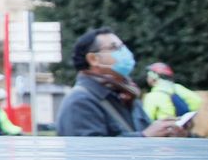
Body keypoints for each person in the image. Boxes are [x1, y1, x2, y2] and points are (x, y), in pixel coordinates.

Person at [55, 27, 183, 138]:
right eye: (115, 47)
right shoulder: (80, 101)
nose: (124, 52)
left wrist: (169, 133)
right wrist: (145, 137)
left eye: (123, 46)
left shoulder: (126, 94)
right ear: (93, 59)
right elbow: (89, 156)